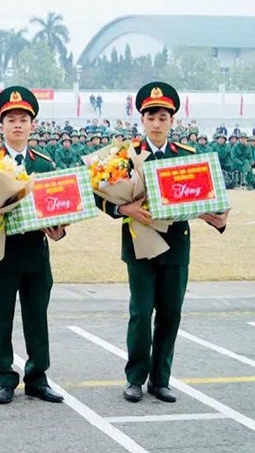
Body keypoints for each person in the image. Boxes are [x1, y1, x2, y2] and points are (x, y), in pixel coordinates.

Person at [96, 82, 229, 403]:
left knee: (171, 314)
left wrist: (217, 216)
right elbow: (97, 194)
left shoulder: (189, 157)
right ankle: (135, 378)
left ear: (173, 121)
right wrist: (122, 207)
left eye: (163, 117)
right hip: (139, 245)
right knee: (141, 314)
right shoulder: (123, 157)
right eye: (151, 117)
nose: (156, 123)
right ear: (141, 119)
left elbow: (206, 198)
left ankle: (161, 379)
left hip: (175, 247)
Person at [0, 87, 67, 405]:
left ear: (33, 125)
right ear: (1, 125)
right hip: (0, 251)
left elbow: (57, 205)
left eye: (23, 119)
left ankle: (37, 378)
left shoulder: (44, 163)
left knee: (37, 318)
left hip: (35, 251)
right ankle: (5, 378)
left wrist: (58, 229)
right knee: (1, 317)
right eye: (11, 119)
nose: (17, 124)